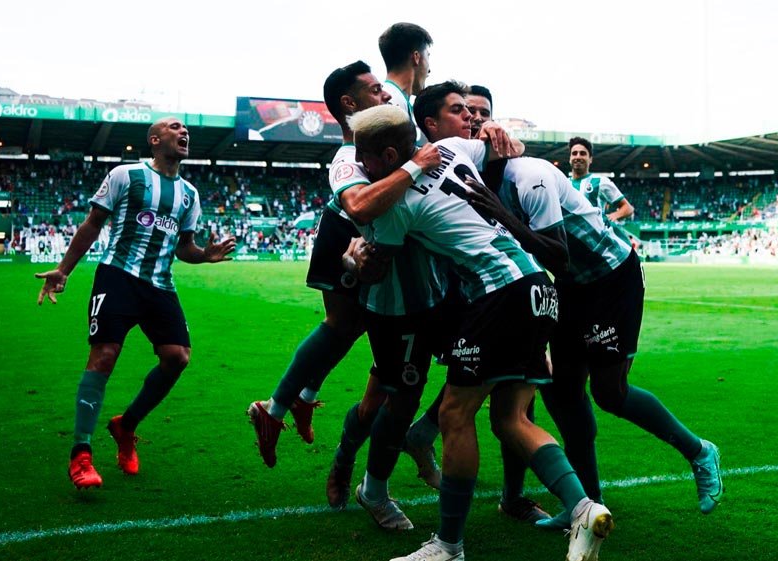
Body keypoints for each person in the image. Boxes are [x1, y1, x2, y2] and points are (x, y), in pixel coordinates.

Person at [415, 84, 723, 532]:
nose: (475, 123)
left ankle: (699, 451)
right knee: (560, 392)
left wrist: (502, 216)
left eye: (481, 115)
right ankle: (586, 504)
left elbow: (557, 253)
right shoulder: (474, 177)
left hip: (609, 277)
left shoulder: (530, 174)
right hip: (564, 289)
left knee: (609, 393)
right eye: (467, 115)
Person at [349, 102, 612, 561]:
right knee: (512, 419)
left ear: (388, 156)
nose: (361, 167)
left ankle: (449, 545)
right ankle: (585, 509)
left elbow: (379, 267)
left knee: (454, 413)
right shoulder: (452, 147)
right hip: (538, 288)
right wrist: (492, 127)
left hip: (500, 293)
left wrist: (353, 257)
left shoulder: (395, 207)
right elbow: (495, 148)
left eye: (364, 159)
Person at [244, 61, 437, 471]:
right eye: (373, 90)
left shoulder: (383, 126)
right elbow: (358, 205)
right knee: (340, 324)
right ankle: (275, 408)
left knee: (356, 324)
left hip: (362, 234)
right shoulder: (348, 155)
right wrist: (415, 164)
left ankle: (299, 401)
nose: (384, 94)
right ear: (349, 103)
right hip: (342, 230)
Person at [36, 117, 236, 489]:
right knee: (105, 355)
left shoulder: (189, 194)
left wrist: (205, 255)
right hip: (118, 276)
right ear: (155, 139)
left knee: (177, 357)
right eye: (175, 127)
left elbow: (184, 248)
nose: (184, 132)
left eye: (186, 129)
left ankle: (125, 426)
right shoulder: (126, 175)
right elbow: (94, 222)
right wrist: (64, 270)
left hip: (160, 285)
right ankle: (80, 454)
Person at [568, 137, 634, 241]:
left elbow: (628, 208)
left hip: (596, 245)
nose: (578, 156)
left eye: (583, 153)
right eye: (574, 153)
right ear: (570, 158)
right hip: (571, 244)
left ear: (590, 159)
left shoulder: (601, 182)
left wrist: (614, 215)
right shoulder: (563, 184)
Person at [379, 22, 433, 144]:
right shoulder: (390, 103)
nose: (429, 70)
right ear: (416, 57)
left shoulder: (397, 99)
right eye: (428, 57)